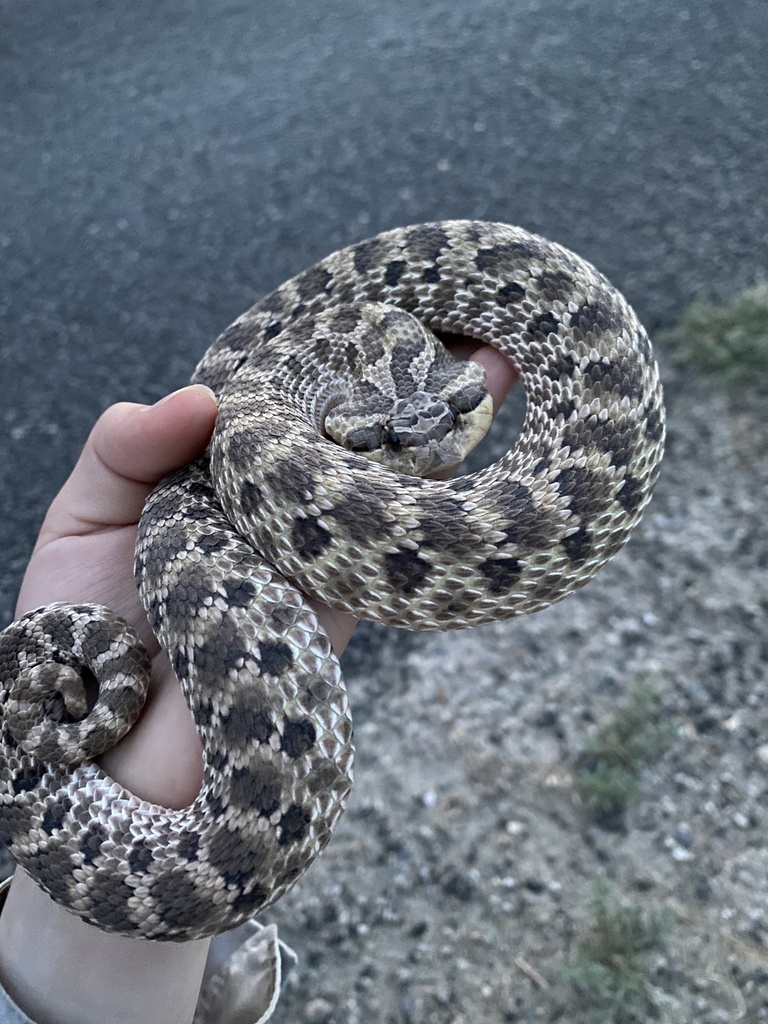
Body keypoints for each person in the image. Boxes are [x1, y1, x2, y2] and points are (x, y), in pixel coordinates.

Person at [0, 342, 516, 1024]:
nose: (423, 455)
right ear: (341, 423)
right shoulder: (279, 391)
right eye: (391, 444)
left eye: (453, 414)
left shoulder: (352, 381)